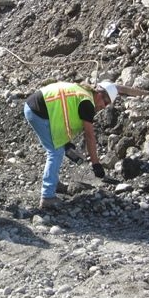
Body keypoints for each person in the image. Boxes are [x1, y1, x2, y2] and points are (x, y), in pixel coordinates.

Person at [23, 80, 118, 210]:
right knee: (55, 152)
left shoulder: (85, 93)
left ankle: (54, 184)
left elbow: (64, 113)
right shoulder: (87, 102)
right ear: (100, 94)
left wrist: (65, 143)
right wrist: (96, 164)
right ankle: (47, 196)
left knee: (58, 148)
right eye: (105, 103)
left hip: (38, 108)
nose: (104, 107)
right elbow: (89, 136)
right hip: (37, 111)